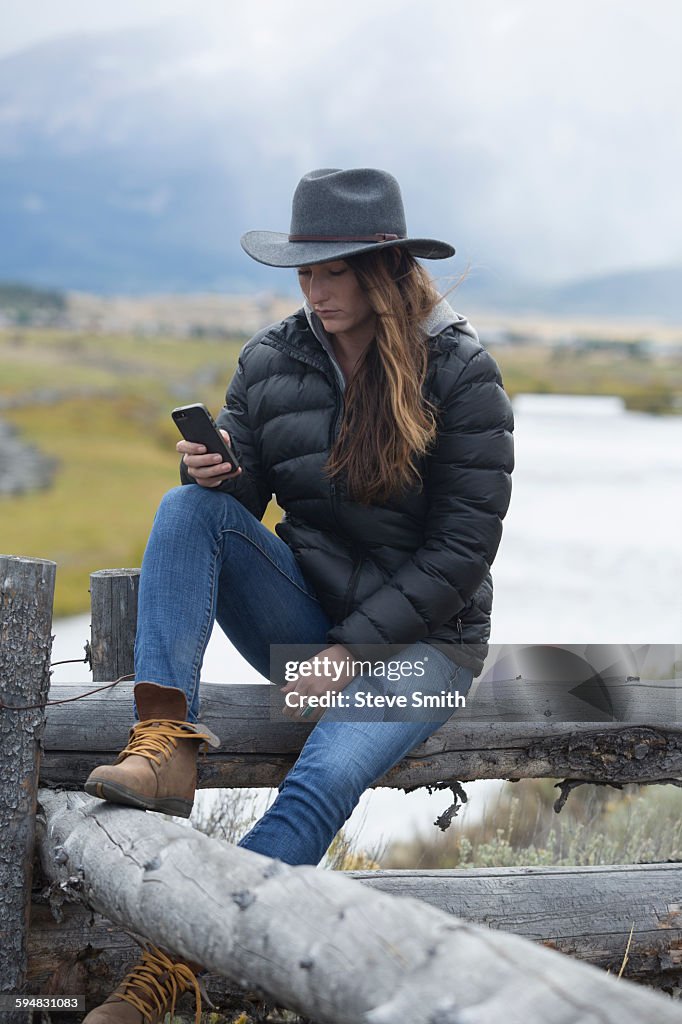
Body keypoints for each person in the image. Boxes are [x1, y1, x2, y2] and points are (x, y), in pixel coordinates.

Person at [81, 167, 514, 1023]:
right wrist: (211, 473)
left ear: (385, 268)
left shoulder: (463, 373)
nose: (315, 292)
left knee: (319, 779)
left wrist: (351, 652)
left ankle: (176, 968)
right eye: (304, 274)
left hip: (430, 648)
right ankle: (163, 738)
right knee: (185, 508)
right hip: (311, 628)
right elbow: (228, 526)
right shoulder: (272, 360)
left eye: (334, 271)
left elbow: (463, 549)